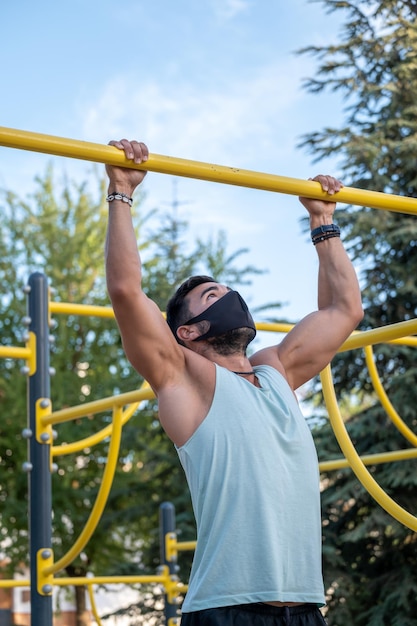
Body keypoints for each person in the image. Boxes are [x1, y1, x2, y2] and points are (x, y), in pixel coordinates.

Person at [104, 139, 364, 626]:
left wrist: (322, 221)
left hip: (307, 608)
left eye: (226, 289)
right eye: (211, 295)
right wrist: (121, 191)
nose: (228, 295)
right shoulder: (184, 377)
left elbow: (344, 310)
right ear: (188, 332)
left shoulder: (276, 371)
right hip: (227, 611)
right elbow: (125, 291)